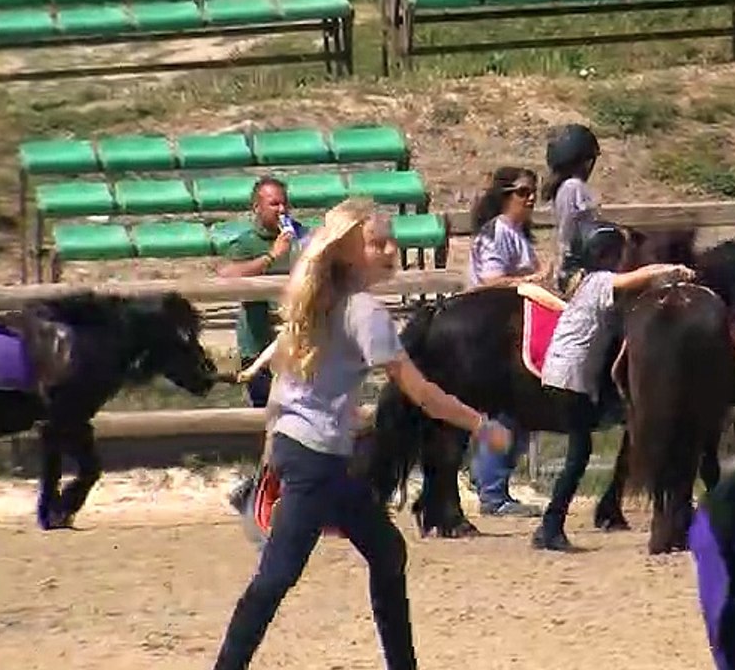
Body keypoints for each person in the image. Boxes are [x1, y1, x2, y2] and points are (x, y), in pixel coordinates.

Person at [212, 198, 514, 670]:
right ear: (350, 251)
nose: (391, 248)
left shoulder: (315, 298)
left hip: (310, 454)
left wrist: (282, 446)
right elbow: (423, 394)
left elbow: (285, 386)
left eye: (391, 238)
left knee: (386, 552)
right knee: (277, 576)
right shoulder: (363, 312)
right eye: (377, 242)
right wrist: (482, 425)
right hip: (317, 461)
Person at [534, 223, 695, 551]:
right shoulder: (598, 282)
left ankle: (556, 522)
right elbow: (635, 278)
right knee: (579, 455)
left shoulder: (591, 284)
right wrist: (672, 269)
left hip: (567, 373)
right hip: (570, 376)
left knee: (590, 443)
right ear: (608, 256)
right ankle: (550, 526)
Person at [220, 177, 305, 517]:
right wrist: (272, 256)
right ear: (256, 207)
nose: (281, 209)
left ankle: (278, 490)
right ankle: (258, 491)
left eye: (284, 202)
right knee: (269, 422)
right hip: (259, 346)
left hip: (298, 346)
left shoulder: (301, 236)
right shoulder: (247, 242)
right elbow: (227, 276)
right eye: (274, 204)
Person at [465, 166, 546, 516]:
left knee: (516, 408)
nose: (530, 198)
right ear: (505, 196)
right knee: (509, 408)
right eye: (522, 192)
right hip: (490, 329)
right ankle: (493, 491)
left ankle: (487, 479)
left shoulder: (516, 234)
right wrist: (534, 278)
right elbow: (491, 280)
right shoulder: (496, 233)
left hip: (510, 329)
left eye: (532, 192)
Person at [541, 123, 601, 294]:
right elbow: (579, 230)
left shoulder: (564, 187)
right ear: (587, 161)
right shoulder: (574, 187)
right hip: (578, 266)